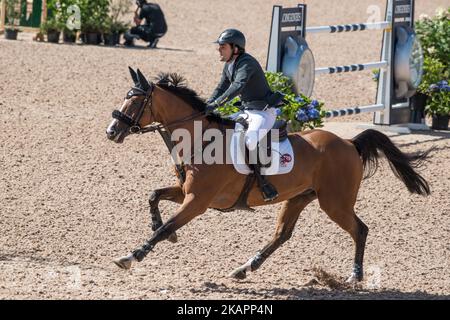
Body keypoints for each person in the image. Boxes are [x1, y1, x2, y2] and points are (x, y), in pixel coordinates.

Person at [206, 29, 280, 201]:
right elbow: (221, 88)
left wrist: (217, 104)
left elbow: (237, 86)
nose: (219, 50)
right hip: (247, 111)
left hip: (263, 112)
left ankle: (263, 182)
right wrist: (207, 105)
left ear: (235, 48)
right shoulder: (229, 65)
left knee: (250, 139)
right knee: (220, 129)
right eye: (219, 47)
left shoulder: (247, 63)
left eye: (223, 47)